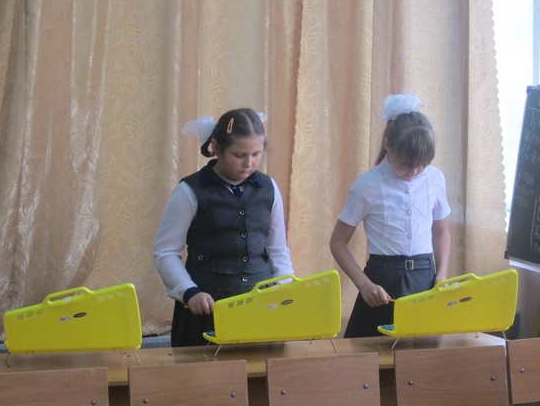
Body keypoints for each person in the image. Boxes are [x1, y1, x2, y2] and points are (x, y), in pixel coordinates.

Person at [153, 108, 294, 347]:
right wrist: (189, 292)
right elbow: (165, 252)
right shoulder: (189, 191)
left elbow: (278, 249)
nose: (249, 163)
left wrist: (284, 289)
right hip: (207, 309)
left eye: (256, 154)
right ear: (217, 148)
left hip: (261, 309)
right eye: (239, 155)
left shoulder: (269, 188)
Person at [329, 93, 451, 338]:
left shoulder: (435, 178)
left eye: (421, 164)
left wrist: (442, 275)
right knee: (371, 353)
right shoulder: (367, 185)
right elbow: (338, 242)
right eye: (406, 163)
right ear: (387, 144)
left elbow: (440, 232)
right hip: (382, 281)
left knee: (422, 354)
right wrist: (364, 285)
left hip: (425, 278)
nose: (413, 171)